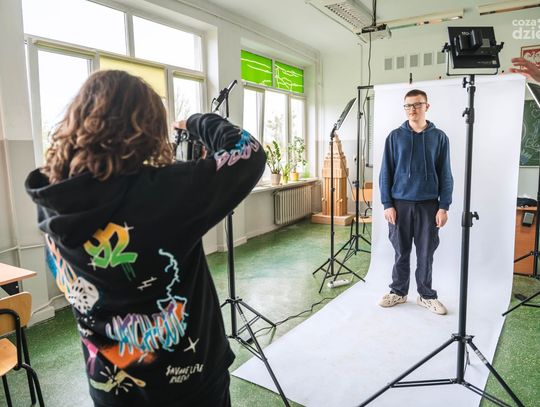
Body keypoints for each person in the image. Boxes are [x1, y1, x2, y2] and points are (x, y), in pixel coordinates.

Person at [25, 70, 265, 407]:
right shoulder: (164, 191)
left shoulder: (51, 197)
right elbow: (248, 152)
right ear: (147, 129)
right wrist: (196, 121)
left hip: (111, 389)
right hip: (190, 385)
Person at [378, 89, 453, 315]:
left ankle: (426, 295)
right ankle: (398, 292)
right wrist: (387, 204)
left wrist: (444, 206)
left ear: (426, 107)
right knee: (401, 252)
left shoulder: (439, 137)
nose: (412, 109)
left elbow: (446, 174)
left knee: (425, 253)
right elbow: (385, 173)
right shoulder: (394, 137)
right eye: (408, 105)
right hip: (399, 204)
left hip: (428, 205)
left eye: (417, 105)